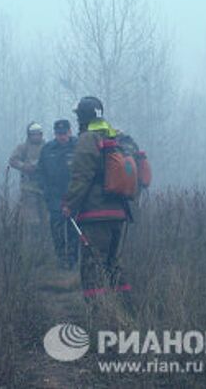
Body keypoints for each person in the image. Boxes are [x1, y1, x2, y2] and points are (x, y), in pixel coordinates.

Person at [61, 96, 132, 300]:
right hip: (118, 212)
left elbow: (81, 176)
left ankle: (97, 313)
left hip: (96, 213)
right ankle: (126, 309)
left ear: (83, 116)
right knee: (113, 263)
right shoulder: (113, 136)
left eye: (77, 116)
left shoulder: (88, 138)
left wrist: (69, 204)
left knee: (92, 264)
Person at [36, 119, 78, 270]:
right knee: (57, 230)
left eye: (64, 133)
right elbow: (40, 171)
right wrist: (45, 190)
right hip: (54, 198)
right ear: (55, 134)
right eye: (59, 134)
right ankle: (61, 259)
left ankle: (73, 261)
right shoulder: (47, 149)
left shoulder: (78, 147)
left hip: (75, 196)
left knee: (74, 230)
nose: (62, 137)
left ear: (70, 132)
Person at [8, 122, 47, 233]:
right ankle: (32, 242)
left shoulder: (47, 147)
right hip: (28, 188)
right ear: (29, 135)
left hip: (45, 188)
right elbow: (13, 160)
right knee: (32, 219)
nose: (36, 136)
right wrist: (24, 166)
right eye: (33, 134)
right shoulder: (23, 147)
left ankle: (45, 242)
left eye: (38, 134)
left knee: (46, 217)